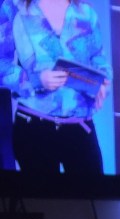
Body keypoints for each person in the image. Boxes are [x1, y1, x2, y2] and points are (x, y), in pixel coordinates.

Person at [11, 0, 111, 174]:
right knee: (42, 192)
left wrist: (102, 84)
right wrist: (37, 80)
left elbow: (100, 62)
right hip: (33, 127)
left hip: (80, 126)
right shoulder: (16, 10)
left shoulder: (87, 14)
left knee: (93, 190)